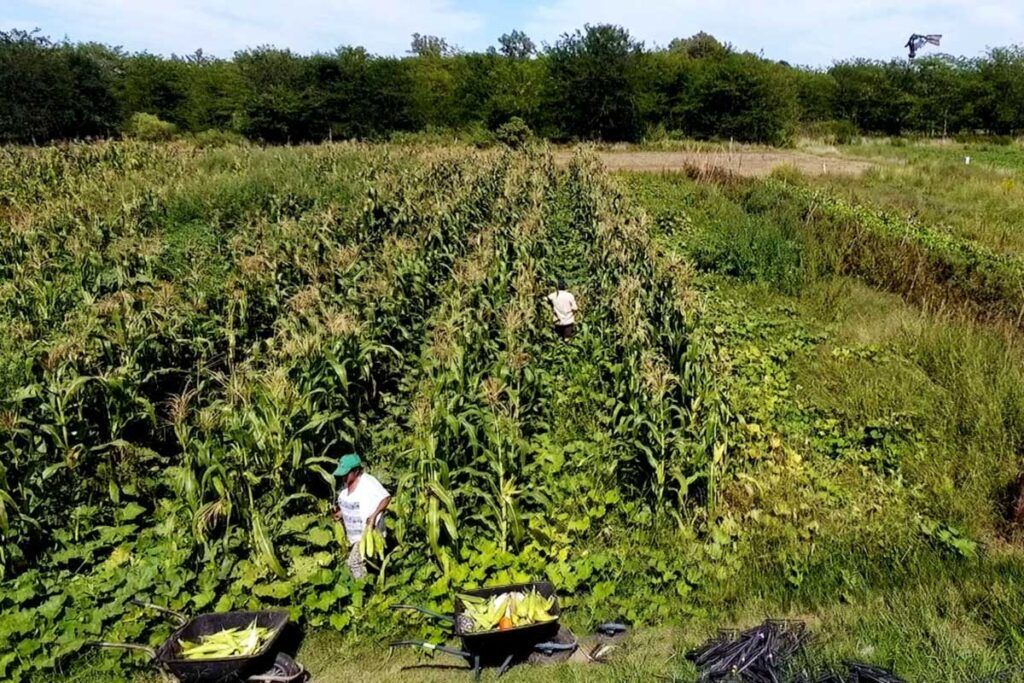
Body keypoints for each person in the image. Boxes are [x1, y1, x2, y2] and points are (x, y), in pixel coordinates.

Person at [331, 453, 391, 579]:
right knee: (369, 562)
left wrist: (374, 516)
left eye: (346, 473)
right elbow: (352, 505)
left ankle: (362, 589)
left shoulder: (368, 482)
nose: (343, 476)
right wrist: (340, 514)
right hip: (353, 535)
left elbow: (386, 498)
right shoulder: (345, 484)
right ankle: (375, 581)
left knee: (354, 562)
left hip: (367, 532)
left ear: (356, 471)